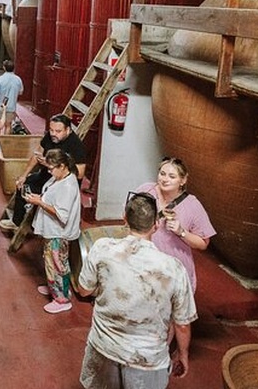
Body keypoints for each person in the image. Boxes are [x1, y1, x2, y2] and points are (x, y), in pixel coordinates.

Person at [76, 192, 197, 389]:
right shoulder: (173, 268)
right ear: (156, 225)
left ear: (125, 219)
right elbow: (182, 324)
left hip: (105, 346)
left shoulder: (102, 248)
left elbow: (83, 290)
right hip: (146, 358)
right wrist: (182, 354)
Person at [134, 156, 216, 291]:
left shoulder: (192, 205)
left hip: (173, 269)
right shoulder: (146, 191)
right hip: (143, 261)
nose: (165, 179)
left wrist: (181, 232)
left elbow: (203, 243)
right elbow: (128, 215)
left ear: (183, 180)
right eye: (162, 174)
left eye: (172, 176)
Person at [0, 114, 87, 232]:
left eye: (58, 131)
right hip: (46, 176)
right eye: (51, 130)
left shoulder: (77, 146)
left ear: (68, 130)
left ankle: (32, 218)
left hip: (61, 184)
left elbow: (80, 174)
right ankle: (17, 221)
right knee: (24, 184)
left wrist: (51, 165)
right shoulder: (50, 137)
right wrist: (24, 175)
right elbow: (36, 155)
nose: (53, 134)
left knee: (37, 193)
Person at [24, 149, 82, 314]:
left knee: (57, 265)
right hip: (52, 230)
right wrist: (40, 198)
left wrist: (39, 202)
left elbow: (62, 214)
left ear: (62, 166)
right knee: (51, 262)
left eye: (51, 168)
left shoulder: (68, 186)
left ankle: (62, 299)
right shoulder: (60, 178)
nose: (49, 171)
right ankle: (54, 288)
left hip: (59, 232)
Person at [0, 59, 23, 134]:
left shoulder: (0, 79)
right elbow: (21, 92)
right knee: (8, 125)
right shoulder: (18, 79)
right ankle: (5, 143)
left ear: (4, 68)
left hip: (0, 105)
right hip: (11, 106)